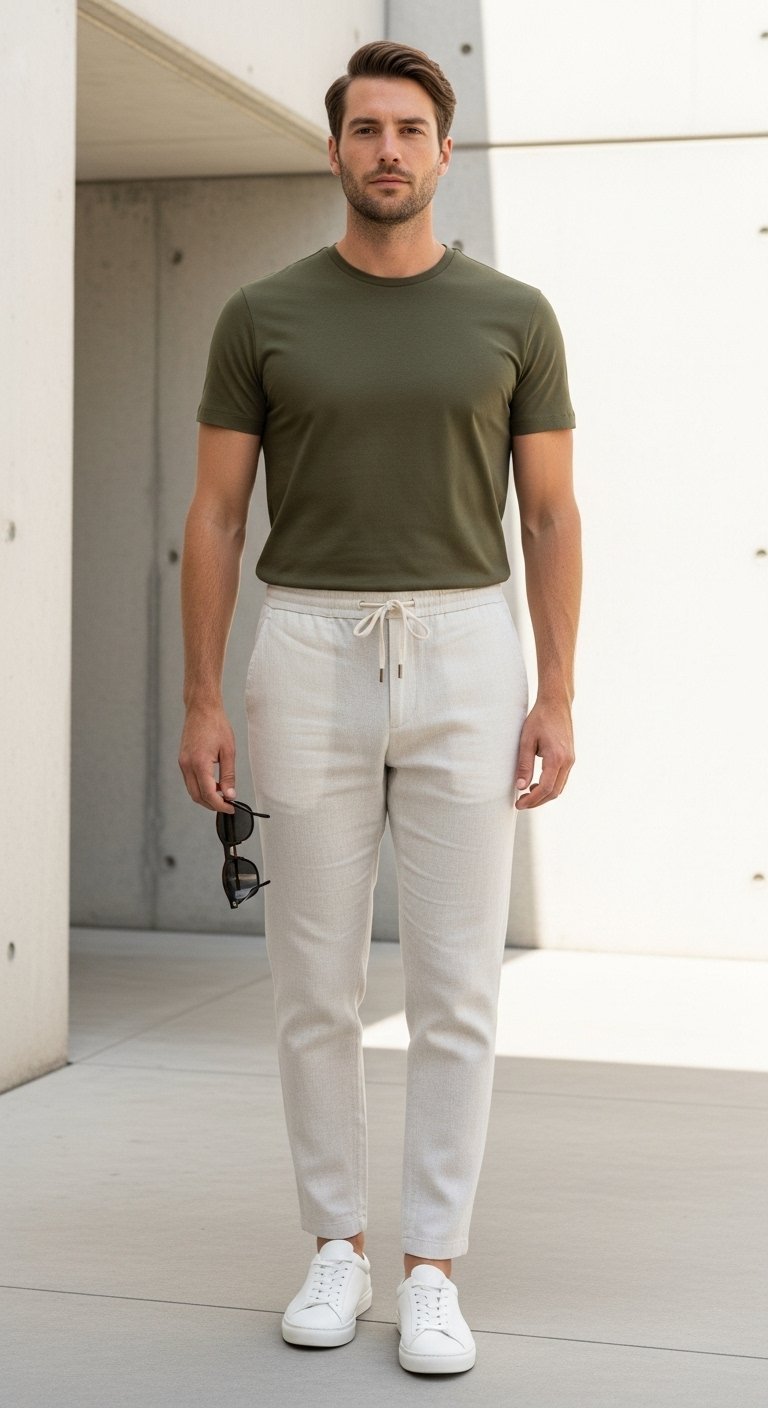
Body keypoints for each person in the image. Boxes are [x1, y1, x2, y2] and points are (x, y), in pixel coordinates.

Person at [179, 39, 581, 1376]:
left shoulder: (513, 314)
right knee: (315, 982)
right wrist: (200, 699)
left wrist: (558, 692)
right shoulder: (262, 313)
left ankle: (431, 1268)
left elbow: (551, 512)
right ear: (336, 147)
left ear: (444, 153)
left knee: (459, 983)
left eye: (412, 128)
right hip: (307, 646)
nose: (389, 149)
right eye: (367, 128)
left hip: (472, 647)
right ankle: (336, 1247)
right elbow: (218, 517)